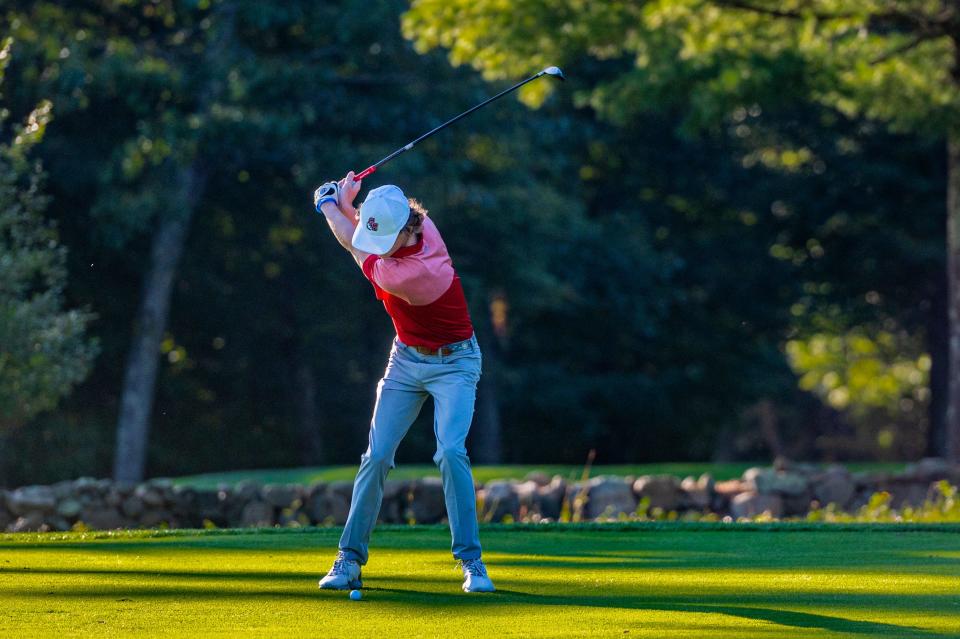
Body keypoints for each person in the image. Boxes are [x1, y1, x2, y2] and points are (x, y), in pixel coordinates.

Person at [311, 171, 495, 593]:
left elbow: (352, 241)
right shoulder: (413, 223)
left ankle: (472, 563)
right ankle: (349, 559)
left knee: (450, 451)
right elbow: (367, 228)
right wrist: (350, 200)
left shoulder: (415, 273)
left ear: (407, 231)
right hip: (406, 359)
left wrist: (327, 204)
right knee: (376, 456)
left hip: (456, 363)